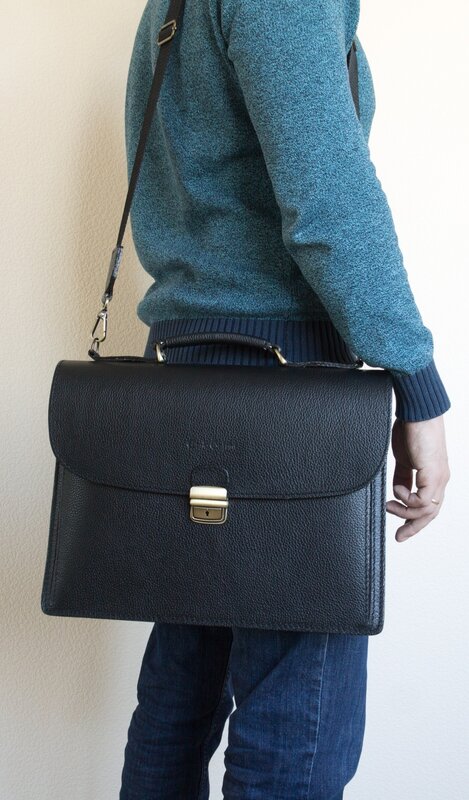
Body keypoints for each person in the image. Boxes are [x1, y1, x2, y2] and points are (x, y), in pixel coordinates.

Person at [119, 1, 451, 797]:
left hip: (187, 376)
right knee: (295, 739)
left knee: (180, 696)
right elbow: (327, 199)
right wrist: (416, 383)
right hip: (285, 391)